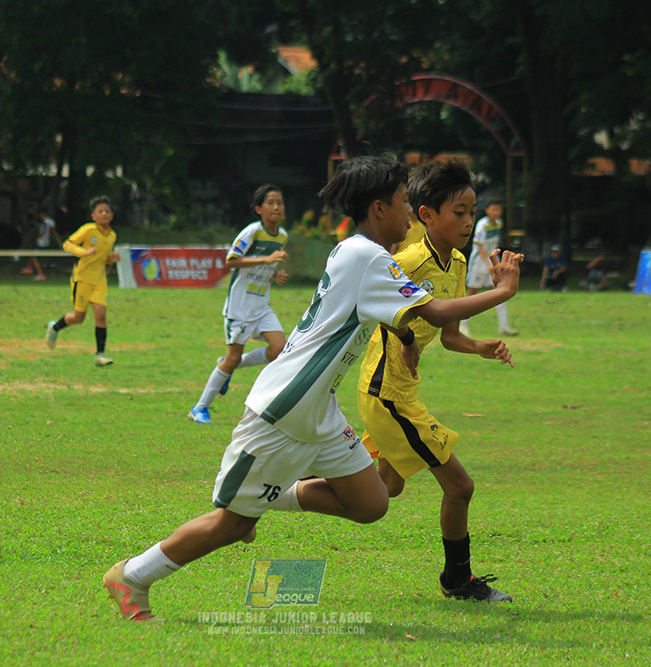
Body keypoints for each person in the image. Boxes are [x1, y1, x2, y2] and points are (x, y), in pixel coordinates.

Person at [102, 155, 523, 622]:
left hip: (318, 410)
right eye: (405, 204)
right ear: (380, 209)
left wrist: (406, 339)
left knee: (372, 503)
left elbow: (397, 313)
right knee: (233, 524)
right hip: (284, 406)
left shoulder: (359, 253)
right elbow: (436, 312)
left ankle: (266, 490)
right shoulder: (368, 257)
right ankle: (132, 577)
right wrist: (503, 291)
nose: (410, 213)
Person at [357, 160, 517, 604]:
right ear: (427, 215)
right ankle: (458, 581)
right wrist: (404, 335)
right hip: (385, 394)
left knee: (383, 489)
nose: (468, 222)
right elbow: (375, 306)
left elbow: (447, 335)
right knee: (459, 486)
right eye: (459, 212)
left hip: (400, 392)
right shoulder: (408, 259)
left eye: (472, 211)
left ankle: (283, 485)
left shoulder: (459, 262)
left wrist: (477, 346)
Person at [188, 185, 288, 425]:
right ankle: (199, 408)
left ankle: (227, 367)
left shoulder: (282, 236)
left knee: (280, 349)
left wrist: (275, 275)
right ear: (258, 208)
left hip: (262, 306)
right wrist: (266, 259)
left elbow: (266, 265)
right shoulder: (252, 232)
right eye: (271, 202)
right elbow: (231, 261)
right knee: (232, 358)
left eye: (280, 202)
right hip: (240, 307)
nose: (276, 207)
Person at [44, 195, 121, 366]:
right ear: (93, 216)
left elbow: (103, 258)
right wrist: (82, 252)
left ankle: (100, 355)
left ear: (112, 215)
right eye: (100, 211)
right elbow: (67, 244)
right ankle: (55, 327)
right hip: (83, 279)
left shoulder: (112, 236)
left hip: (100, 281)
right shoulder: (88, 230)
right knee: (78, 318)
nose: (104, 214)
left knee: (101, 315)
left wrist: (111, 259)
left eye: (107, 211)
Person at [461, 199, 517, 337]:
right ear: (487, 211)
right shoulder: (482, 225)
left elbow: (494, 244)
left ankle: (503, 327)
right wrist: (488, 264)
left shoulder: (498, 223)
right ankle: (462, 325)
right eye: (494, 209)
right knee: (472, 292)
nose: (496, 212)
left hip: (492, 259)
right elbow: (479, 247)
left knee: (500, 291)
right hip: (479, 261)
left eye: (498, 210)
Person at [21, 207, 62, 281]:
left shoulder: (44, 222)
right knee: (31, 252)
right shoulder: (51, 221)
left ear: (41, 214)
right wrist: (59, 241)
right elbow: (54, 231)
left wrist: (38, 237)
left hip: (41, 242)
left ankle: (41, 275)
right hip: (46, 242)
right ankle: (29, 268)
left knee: (34, 257)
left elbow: (43, 231)